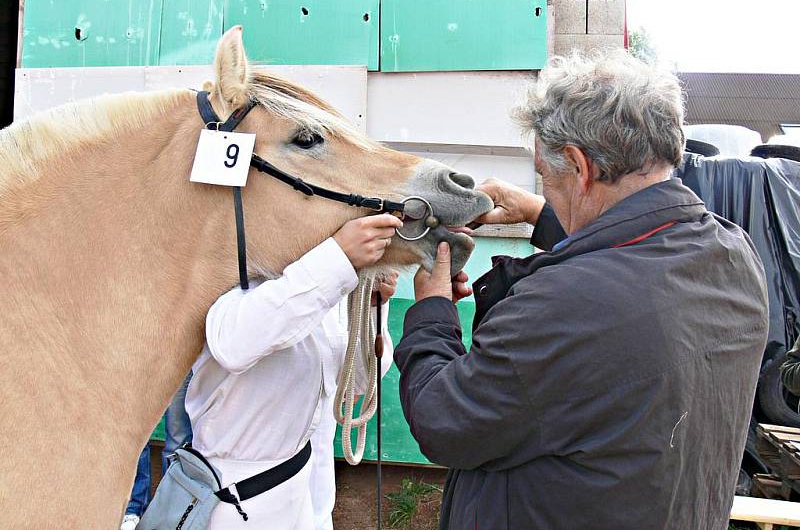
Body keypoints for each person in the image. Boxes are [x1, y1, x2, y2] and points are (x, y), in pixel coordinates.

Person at [394, 51, 770, 529]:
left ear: (578, 164)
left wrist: (431, 310)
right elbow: (629, 266)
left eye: (546, 177)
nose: (546, 188)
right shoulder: (731, 252)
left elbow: (443, 419)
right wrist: (539, 212)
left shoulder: (563, 304)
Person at [185, 213, 401, 529]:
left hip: (312, 504)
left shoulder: (327, 286)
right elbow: (233, 345)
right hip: (236, 507)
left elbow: (358, 384)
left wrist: (369, 308)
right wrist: (337, 258)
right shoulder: (234, 271)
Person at [120, 373, 193, 530]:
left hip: (181, 358)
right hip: (140, 358)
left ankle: (170, 511)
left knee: (178, 439)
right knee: (137, 438)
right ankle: (132, 510)